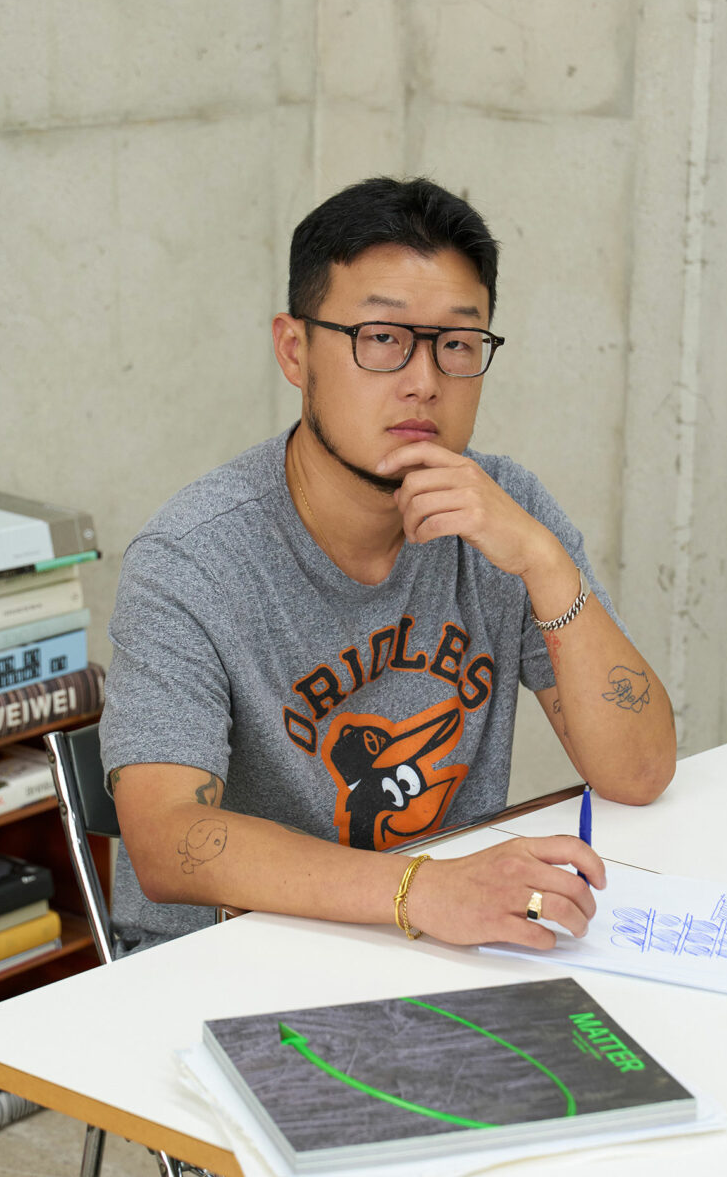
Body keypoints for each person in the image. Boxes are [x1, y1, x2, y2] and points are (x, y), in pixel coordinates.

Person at [100, 176, 676, 957]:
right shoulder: (192, 560)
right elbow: (168, 841)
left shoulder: (504, 508)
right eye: (381, 337)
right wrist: (428, 890)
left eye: (457, 343)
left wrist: (545, 563)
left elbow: (638, 772)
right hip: (220, 968)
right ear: (295, 350)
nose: (424, 380)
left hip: (430, 948)